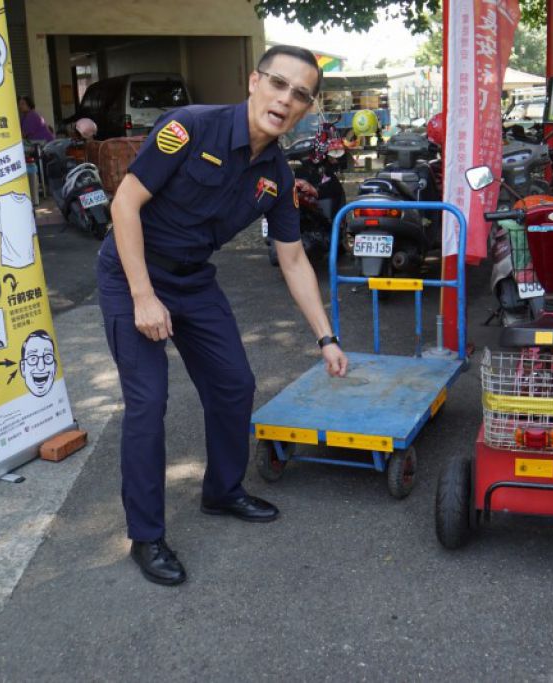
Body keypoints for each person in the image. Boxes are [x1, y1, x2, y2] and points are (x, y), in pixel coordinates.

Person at [98, 44, 349, 586]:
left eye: (300, 94)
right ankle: (146, 535)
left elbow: (293, 258)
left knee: (235, 383)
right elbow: (125, 204)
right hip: (132, 273)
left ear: (306, 109)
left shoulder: (277, 177)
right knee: (149, 402)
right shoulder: (190, 127)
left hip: (193, 279)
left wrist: (326, 337)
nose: (286, 100)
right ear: (255, 83)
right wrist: (143, 295)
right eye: (279, 85)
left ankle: (223, 490)